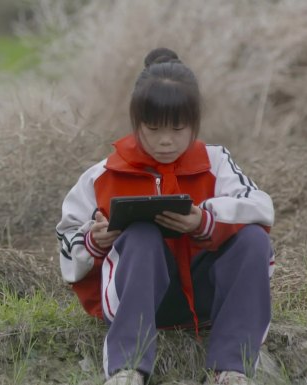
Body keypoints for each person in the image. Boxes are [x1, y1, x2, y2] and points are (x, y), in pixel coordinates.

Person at [56, 48, 275, 385]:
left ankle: (233, 368)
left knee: (252, 237)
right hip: (136, 300)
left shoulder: (217, 162)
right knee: (141, 234)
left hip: (206, 301)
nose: (166, 141)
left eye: (177, 128)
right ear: (135, 122)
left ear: (195, 123)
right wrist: (94, 241)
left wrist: (204, 221)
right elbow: (67, 244)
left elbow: (261, 206)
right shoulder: (102, 175)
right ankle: (127, 368)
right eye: (153, 128)